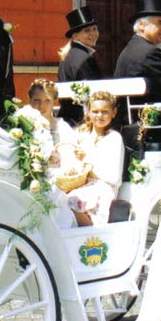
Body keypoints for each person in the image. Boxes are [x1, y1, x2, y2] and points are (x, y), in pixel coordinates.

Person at [61, 91, 124, 227]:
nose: (99, 116)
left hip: (103, 187)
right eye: (95, 111)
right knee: (58, 200)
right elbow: (75, 165)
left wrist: (87, 160)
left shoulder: (114, 138)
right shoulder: (83, 135)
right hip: (82, 184)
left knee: (71, 202)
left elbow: (113, 177)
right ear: (89, 112)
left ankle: (90, 233)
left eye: (104, 112)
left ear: (113, 113)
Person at [57, 6, 102, 125]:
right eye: (87, 31)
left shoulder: (69, 55)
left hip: (67, 119)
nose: (93, 34)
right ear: (75, 35)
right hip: (80, 120)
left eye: (94, 29)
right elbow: (94, 92)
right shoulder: (84, 58)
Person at [28, 78, 74, 145]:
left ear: (54, 102)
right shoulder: (22, 126)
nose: (41, 106)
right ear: (30, 100)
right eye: (37, 100)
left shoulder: (62, 127)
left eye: (47, 101)